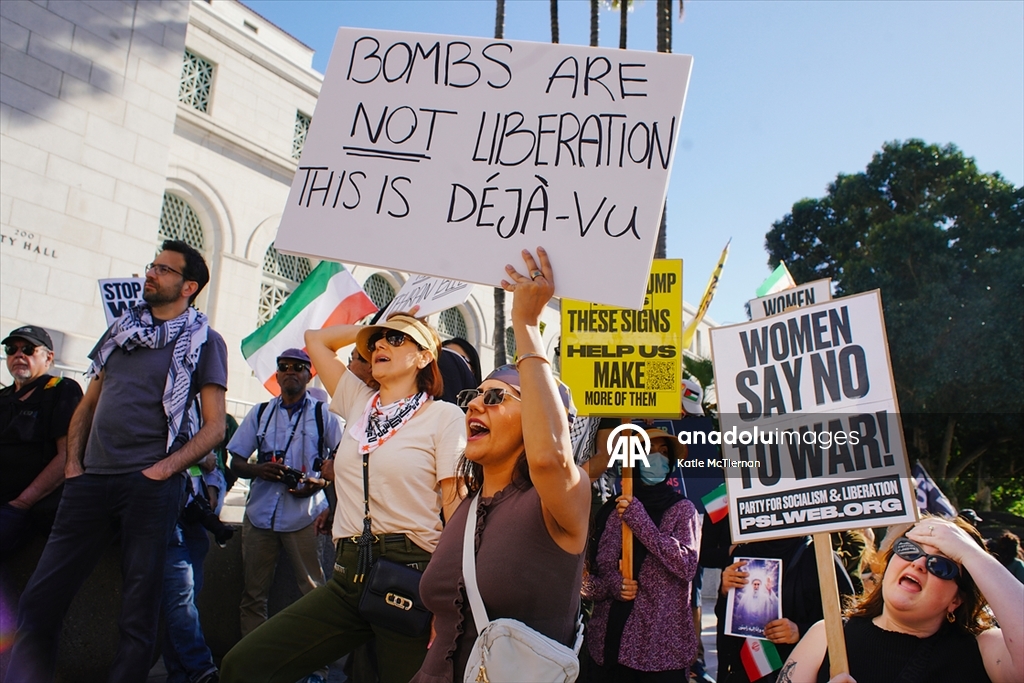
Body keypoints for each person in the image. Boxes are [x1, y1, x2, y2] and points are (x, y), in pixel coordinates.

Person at [7, 240, 227, 683]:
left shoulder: (206, 341)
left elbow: (214, 427)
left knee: (138, 612)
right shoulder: (120, 332)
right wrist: (73, 465)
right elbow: (90, 401)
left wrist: (162, 471)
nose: (150, 273)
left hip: (150, 486)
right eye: (152, 266)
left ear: (188, 286)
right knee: (39, 599)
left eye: (163, 270)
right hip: (89, 482)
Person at [220, 310, 465, 683]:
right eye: (376, 341)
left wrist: (447, 604)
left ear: (424, 356)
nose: (380, 344)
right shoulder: (358, 400)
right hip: (346, 575)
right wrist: (381, 324)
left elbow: (456, 510)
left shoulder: (444, 417)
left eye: (396, 339)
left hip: (411, 578)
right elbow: (316, 339)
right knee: (244, 666)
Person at [412, 246, 591, 683]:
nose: (475, 404)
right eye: (473, 396)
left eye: (494, 397)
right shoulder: (465, 507)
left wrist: (527, 325)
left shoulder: (562, 500)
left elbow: (549, 456)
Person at [781, 517, 1024, 683]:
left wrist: (971, 553)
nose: (918, 563)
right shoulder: (827, 635)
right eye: (910, 549)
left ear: (956, 600)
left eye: (940, 564)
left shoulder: (983, 650)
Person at [227, 348, 339, 636]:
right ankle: (253, 666)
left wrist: (320, 484)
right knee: (253, 594)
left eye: (298, 367)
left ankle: (318, 672)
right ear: (276, 374)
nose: (290, 371)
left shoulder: (322, 414)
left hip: (305, 516)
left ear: (308, 374)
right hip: (260, 514)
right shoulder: (261, 413)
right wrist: (259, 470)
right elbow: (236, 461)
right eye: (284, 366)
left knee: (314, 593)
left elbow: (343, 462)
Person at [585, 428, 701, 682]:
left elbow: (686, 565)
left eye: (663, 453)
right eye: (647, 451)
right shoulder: (613, 509)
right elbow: (598, 572)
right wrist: (615, 585)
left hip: (659, 652)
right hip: (608, 647)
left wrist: (641, 522)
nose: (656, 459)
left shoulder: (682, 511)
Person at [715, 535, 855, 683]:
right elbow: (724, 619)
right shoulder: (743, 554)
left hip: (800, 671)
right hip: (749, 670)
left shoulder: (819, 555)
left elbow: (848, 621)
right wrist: (726, 592)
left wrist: (801, 631)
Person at [1, 325, 82, 556]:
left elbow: (67, 456)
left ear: (48, 358)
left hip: (19, 506)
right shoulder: (4, 397)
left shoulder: (60, 389)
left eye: (28, 349)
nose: (19, 355)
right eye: (11, 349)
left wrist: (21, 503)